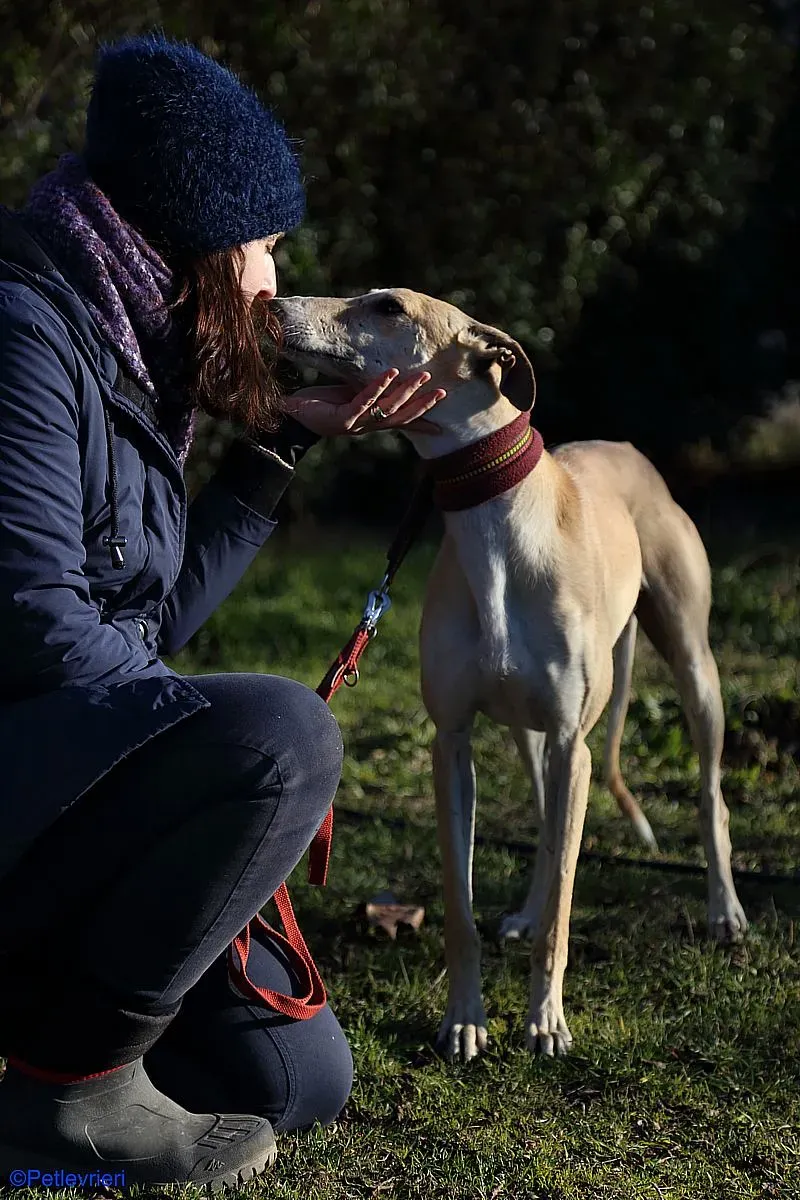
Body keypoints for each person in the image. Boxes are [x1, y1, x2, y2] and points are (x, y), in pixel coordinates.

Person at [0, 33, 445, 1188]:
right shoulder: (24, 338)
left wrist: (283, 440)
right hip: (23, 795)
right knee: (283, 734)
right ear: (192, 238)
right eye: (262, 244)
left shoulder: (128, 355)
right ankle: (67, 1096)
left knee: (296, 1083)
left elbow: (151, 626)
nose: (270, 278)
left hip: (60, 799)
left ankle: (51, 1026)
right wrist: (223, 758)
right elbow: (38, 628)